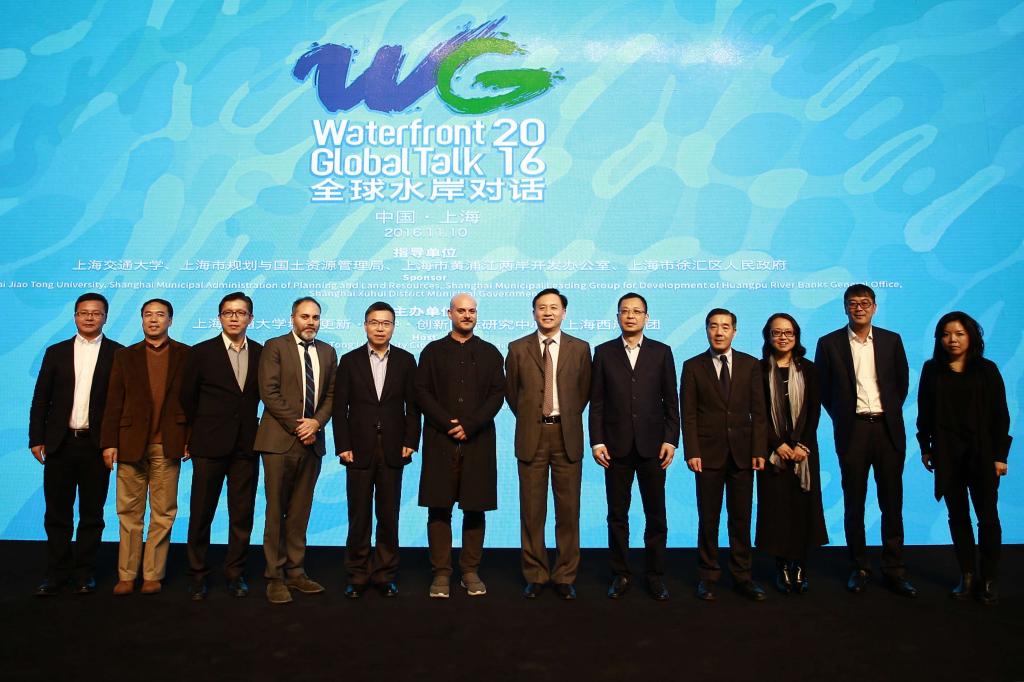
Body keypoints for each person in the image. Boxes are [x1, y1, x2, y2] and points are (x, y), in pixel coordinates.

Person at [814, 284, 916, 597]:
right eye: (853, 303)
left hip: (887, 429)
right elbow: (823, 389)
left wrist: (886, 412)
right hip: (853, 430)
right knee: (854, 503)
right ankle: (859, 567)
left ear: (874, 307)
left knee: (892, 503)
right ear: (845, 307)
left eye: (865, 302)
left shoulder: (891, 340)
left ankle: (894, 568)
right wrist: (844, 416)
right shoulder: (828, 343)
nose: (859, 308)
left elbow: (901, 384)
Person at [29, 293, 123, 596]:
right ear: (75, 316)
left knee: (92, 514)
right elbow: (41, 398)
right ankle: (56, 573)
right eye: (84, 312)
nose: (90, 317)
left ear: (105, 317)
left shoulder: (118, 353)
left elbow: (120, 404)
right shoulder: (56, 352)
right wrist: (36, 438)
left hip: (97, 446)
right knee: (57, 513)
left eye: (96, 313)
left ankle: (84, 572)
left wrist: (112, 442)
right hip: (60, 444)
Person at [917, 311, 1011, 606]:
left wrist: (1000, 456)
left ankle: (989, 578)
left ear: (971, 336)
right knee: (957, 517)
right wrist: (925, 447)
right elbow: (924, 412)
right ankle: (967, 575)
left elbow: (1000, 414)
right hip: (947, 454)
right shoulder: (931, 370)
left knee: (988, 518)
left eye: (959, 334)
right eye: (946, 334)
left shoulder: (987, 369)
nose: (952, 340)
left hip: (983, 454)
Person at [589, 292, 678, 600]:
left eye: (636, 311)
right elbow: (597, 403)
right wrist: (597, 441)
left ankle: (655, 574)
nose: (630, 316)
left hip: (653, 447)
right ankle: (621, 574)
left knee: (656, 514)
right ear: (617, 317)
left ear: (646, 317)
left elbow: (671, 401)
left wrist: (671, 439)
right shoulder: (603, 352)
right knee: (617, 515)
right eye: (625, 311)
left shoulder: (662, 352)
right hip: (615, 447)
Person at [416, 293, 505, 598]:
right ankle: (441, 572)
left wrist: (470, 424)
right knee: (439, 508)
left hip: (478, 440)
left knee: (475, 507)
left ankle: (469, 570)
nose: (467, 315)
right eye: (461, 310)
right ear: (449, 313)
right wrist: (448, 423)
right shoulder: (432, 352)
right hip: (440, 439)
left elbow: (497, 395)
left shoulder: (491, 353)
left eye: (472, 311)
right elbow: (422, 392)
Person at [506, 288, 592, 600]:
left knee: (568, 511)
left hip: (566, 435)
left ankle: (565, 575)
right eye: (541, 307)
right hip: (532, 435)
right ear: (533, 313)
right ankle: (536, 574)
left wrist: (562, 416)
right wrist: (534, 417)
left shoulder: (580, 348)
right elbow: (512, 394)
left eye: (554, 307)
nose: (547, 312)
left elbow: (584, 392)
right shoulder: (517, 348)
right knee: (532, 511)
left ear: (564, 312)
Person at [101, 298, 190, 596]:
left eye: (160, 315)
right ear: (141, 320)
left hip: (168, 443)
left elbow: (194, 401)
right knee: (128, 512)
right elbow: (113, 401)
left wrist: (189, 438)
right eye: (148, 315)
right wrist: (109, 443)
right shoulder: (124, 356)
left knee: (163, 512)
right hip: (129, 444)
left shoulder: (186, 355)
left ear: (170, 320)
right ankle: (127, 574)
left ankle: (153, 573)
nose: (153, 320)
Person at [333, 302, 421, 598]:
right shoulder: (349, 360)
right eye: (374, 322)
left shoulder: (406, 360)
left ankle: (385, 574)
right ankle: (357, 574)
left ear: (393, 327)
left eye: (386, 323)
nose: (380, 328)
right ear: (365, 325)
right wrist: (343, 445)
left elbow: (413, 407)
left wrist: (411, 441)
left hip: (394, 448)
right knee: (358, 516)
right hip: (357, 449)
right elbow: (339, 408)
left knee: (388, 515)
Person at [180, 292, 263, 600]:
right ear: (219, 318)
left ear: (250, 319)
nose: (234, 317)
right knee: (202, 513)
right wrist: (198, 431)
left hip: (246, 446)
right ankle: (197, 575)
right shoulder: (201, 352)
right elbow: (186, 398)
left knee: (242, 515)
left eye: (240, 313)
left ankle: (235, 574)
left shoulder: (262, 352)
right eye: (228, 312)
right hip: (208, 444)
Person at [681, 308, 767, 602]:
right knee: (709, 518)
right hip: (707, 455)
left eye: (725, 327)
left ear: (734, 331)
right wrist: (692, 451)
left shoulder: (750, 365)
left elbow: (759, 411)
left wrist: (759, 449)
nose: (719, 332)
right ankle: (707, 576)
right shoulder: (692, 366)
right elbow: (688, 414)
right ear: (706, 330)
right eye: (713, 326)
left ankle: (743, 576)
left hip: (743, 454)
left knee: (741, 518)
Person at [255, 297, 337, 604]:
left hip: (312, 443)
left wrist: (315, 423)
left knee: (301, 511)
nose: (310, 322)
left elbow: (332, 395)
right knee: (276, 511)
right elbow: (269, 391)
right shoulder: (274, 346)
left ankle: (296, 571)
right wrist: (298, 425)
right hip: (279, 442)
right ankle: (274, 576)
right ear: (293, 318)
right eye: (305, 316)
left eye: (315, 317)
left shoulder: (328, 352)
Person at [754, 313, 828, 594]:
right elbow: (757, 413)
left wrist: (802, 445)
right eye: (776, 332)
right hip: (772, 452)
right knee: (777, 511)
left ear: (796, 336)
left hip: (803, 452)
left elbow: (814, 410)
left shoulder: (809, 369)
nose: (782, 337)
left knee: (802, 509)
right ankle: (782, 565)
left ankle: (800, 565)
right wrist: (776, 444)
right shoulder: (758, 370)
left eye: (788, 332)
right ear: (768, 336)